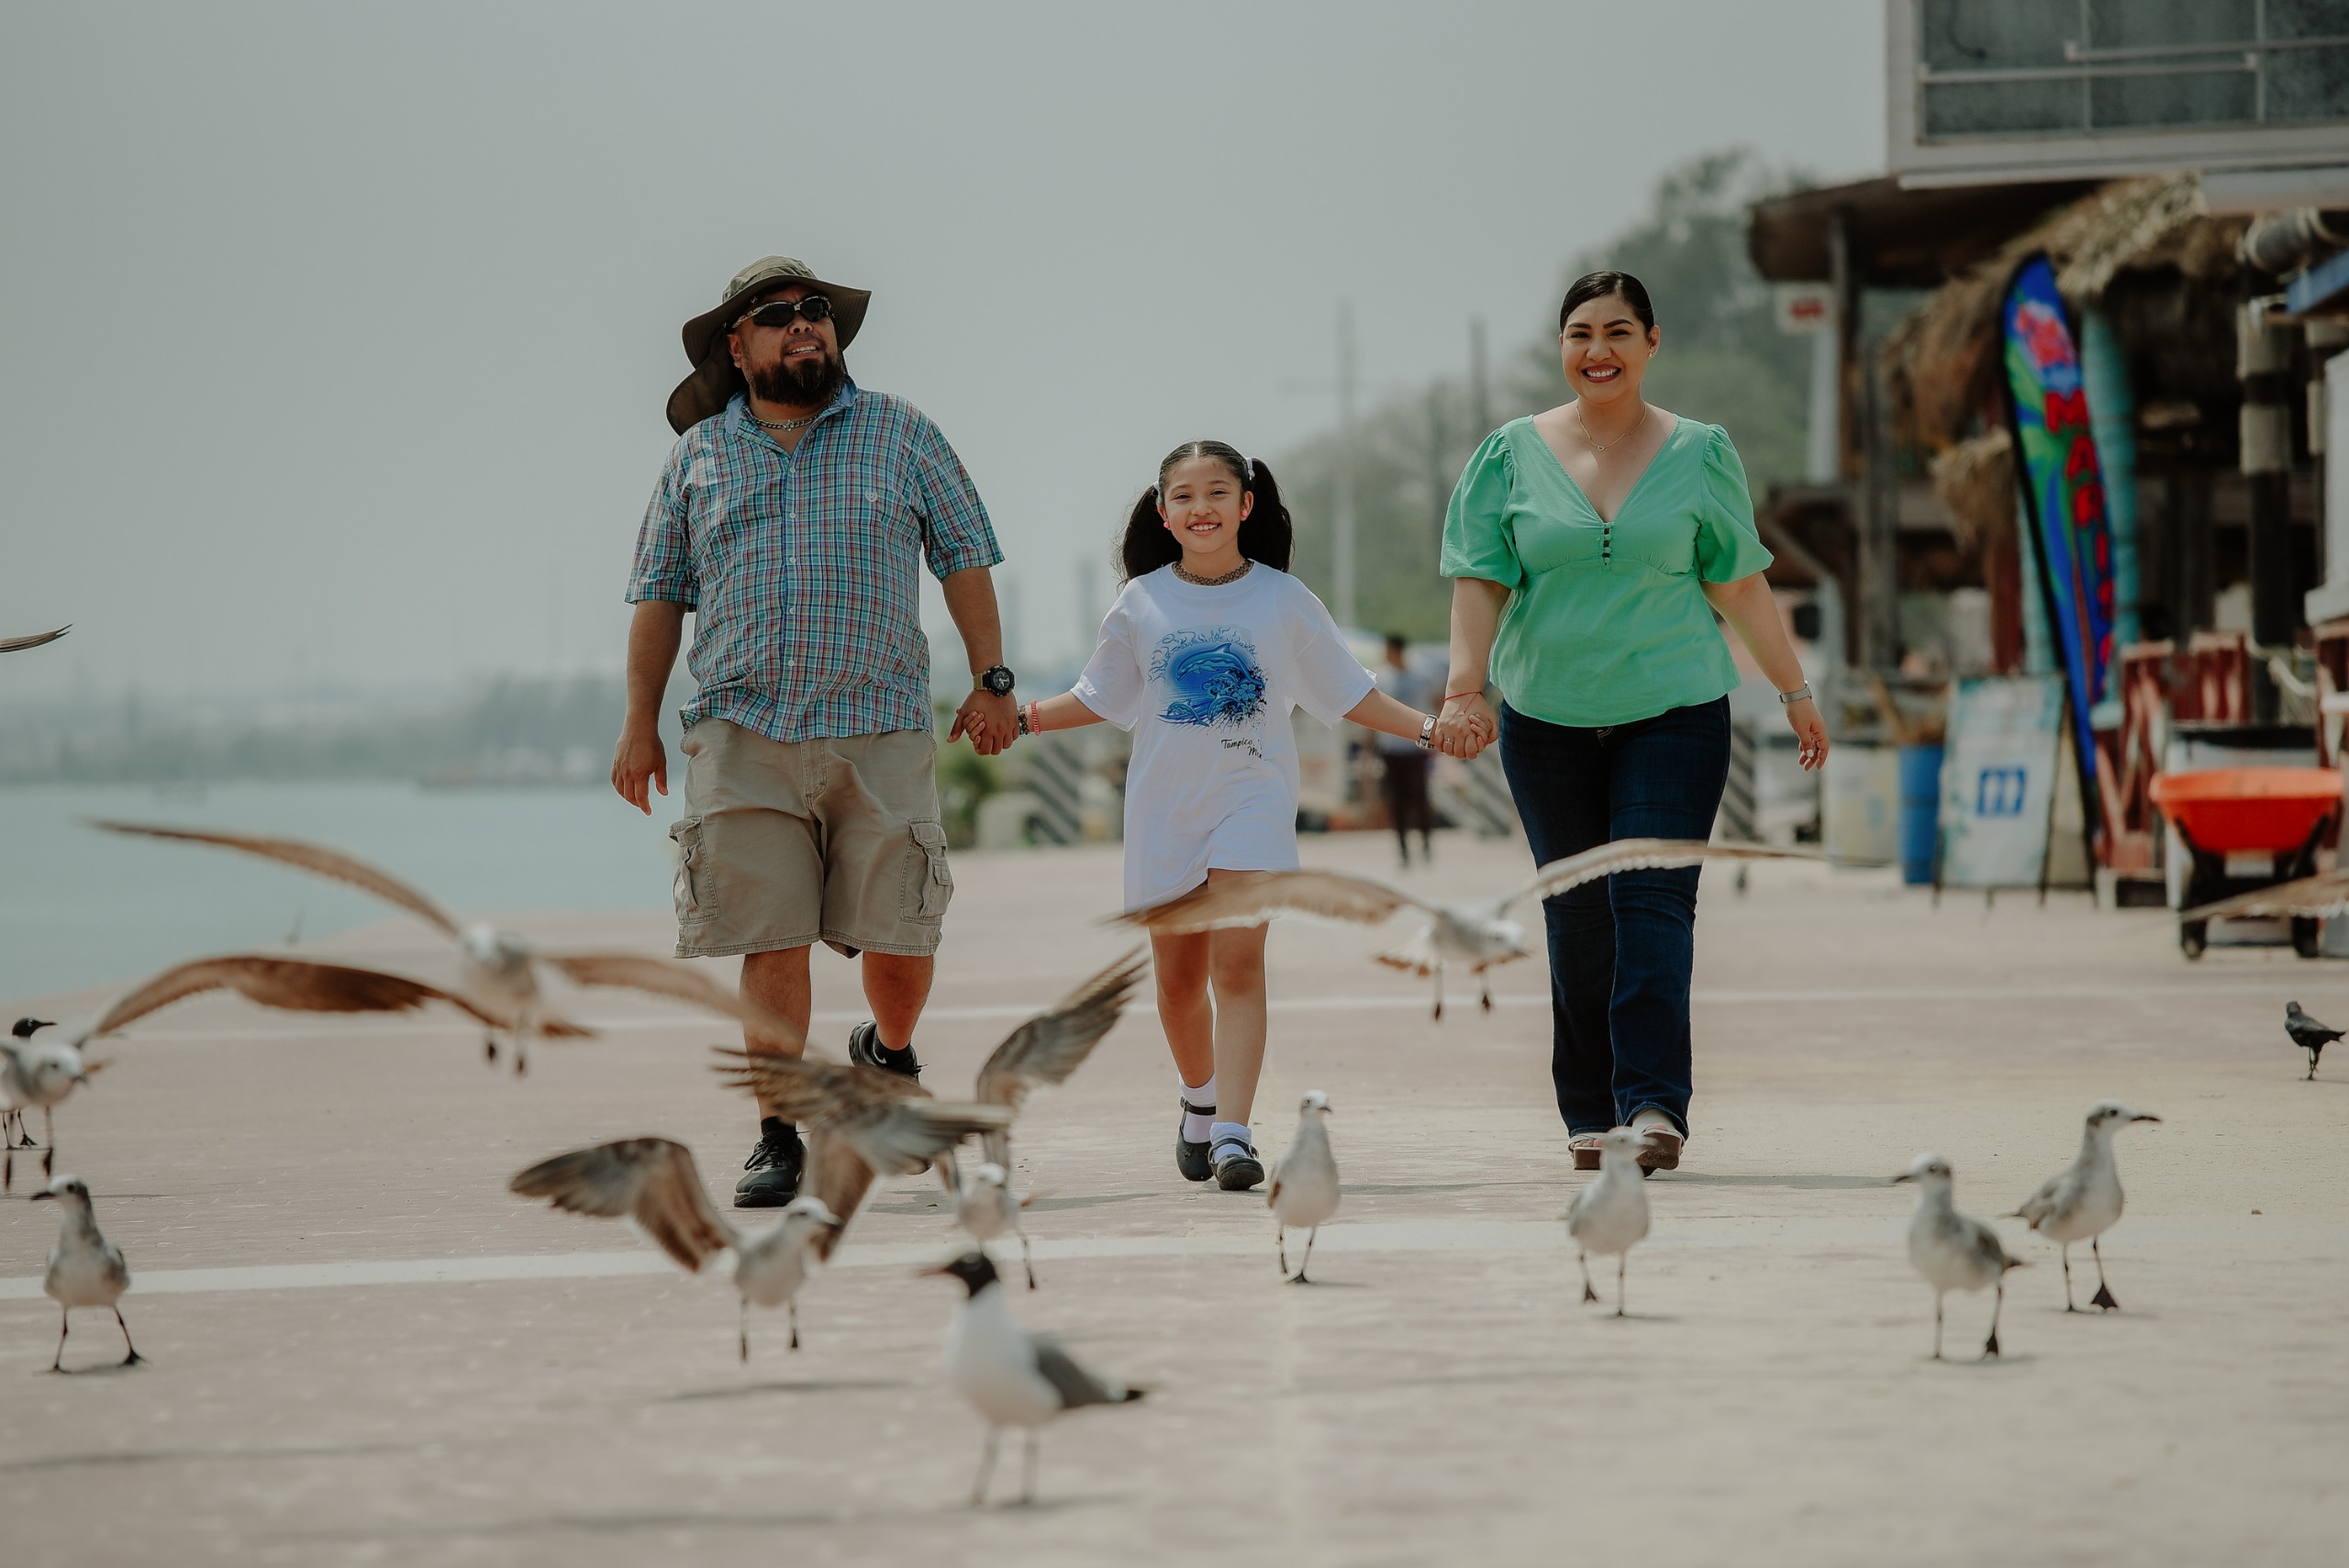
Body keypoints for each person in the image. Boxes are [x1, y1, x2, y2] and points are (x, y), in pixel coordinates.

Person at [613, 256, 1017, 1207]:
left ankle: (891, 1052)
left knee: (903, 933)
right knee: (770, 935)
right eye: (779, 316)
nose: (806, 325)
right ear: (736, 346)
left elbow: (965, 558)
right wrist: (639, 725)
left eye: (816, 313)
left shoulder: (901, 433)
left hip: (878, 725)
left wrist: (991, 679)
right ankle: (776, 1133)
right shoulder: (697, 458)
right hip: (742, 730)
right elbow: (657, 599)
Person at [1434, 271, 1827, 1174]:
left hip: (1675, 710)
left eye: (1617, 331)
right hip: (1546, 717)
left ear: (1653, 342)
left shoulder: (1699, 451)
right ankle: (1588, 1107)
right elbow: (1479, 579)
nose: (1597, 349)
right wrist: (1464, 689)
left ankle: (1652, 1104)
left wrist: (1792, 688)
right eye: (1578, 333)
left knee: (1651, 904)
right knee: (1577, 918)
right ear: (1561, 348)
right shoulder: (1506, 454)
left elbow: (1735, 581)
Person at [1000, 441, 1433, 1190]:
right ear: (1164, 512)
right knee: (1177, 980)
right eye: (1185, 496)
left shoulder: (1283, 598)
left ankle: (1233, 1133)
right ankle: (1198, 1101)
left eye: (1216, 492)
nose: (1201, 508)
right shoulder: (1139, 601)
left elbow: (1348, 691)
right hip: (1166, 808)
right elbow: (1099, 696)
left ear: (1246, 505)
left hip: (1253, 801)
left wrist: (1429, 730)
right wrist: (1022, 717)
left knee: (1237, 965)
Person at [1373, 633, 1441, 867]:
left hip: (1416, 747)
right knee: (1396, 801)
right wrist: (1369, 747)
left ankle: (1425, 844)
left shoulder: (1421, 678)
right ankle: (1403, 849)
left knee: (1420, 798)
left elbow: (1434, 704)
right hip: (1391, 749)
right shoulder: (1382, 679)